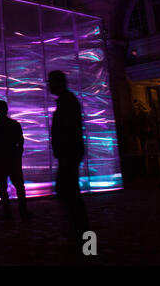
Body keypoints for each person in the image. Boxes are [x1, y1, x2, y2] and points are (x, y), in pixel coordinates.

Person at [48, 70, 89, 246]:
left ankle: (81, 235)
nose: (48, 85)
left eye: (50, 81)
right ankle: (78, 233)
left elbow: (67, 130)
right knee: (69, 192)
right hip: (69, 153)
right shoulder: (66, 101)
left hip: (69, 154)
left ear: (58, 83)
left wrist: (64, 150)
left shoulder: (67, 102)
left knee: (68, 192)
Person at [0, 100, 30, 220]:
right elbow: (21, 143)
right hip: (13, 159)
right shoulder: (15, 124)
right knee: (19, 186)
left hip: (0, 159)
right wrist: (18, 157)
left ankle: (8, 212)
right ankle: (23, 211)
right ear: (7, 110)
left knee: (2, 187)